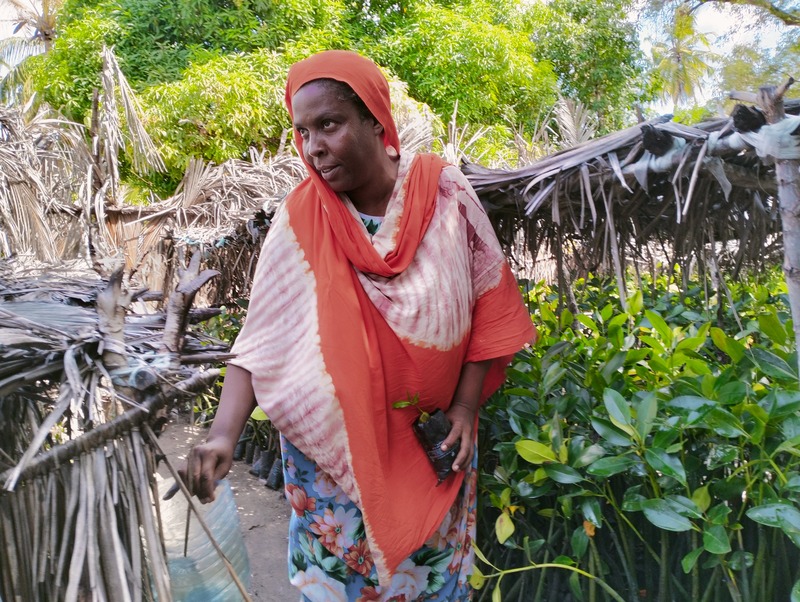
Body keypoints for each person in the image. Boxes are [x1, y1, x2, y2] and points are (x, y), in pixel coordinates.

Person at [183, 50, 536, 601]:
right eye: (302, 131)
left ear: (376, 118)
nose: (313, 146)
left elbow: (491, 308)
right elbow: (261, 340)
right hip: (328, 469)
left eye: (329, 124)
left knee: (429, 583)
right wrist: (223, 435)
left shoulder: (445, 194)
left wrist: (465, 409)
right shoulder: (301, 217)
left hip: (430, 449)